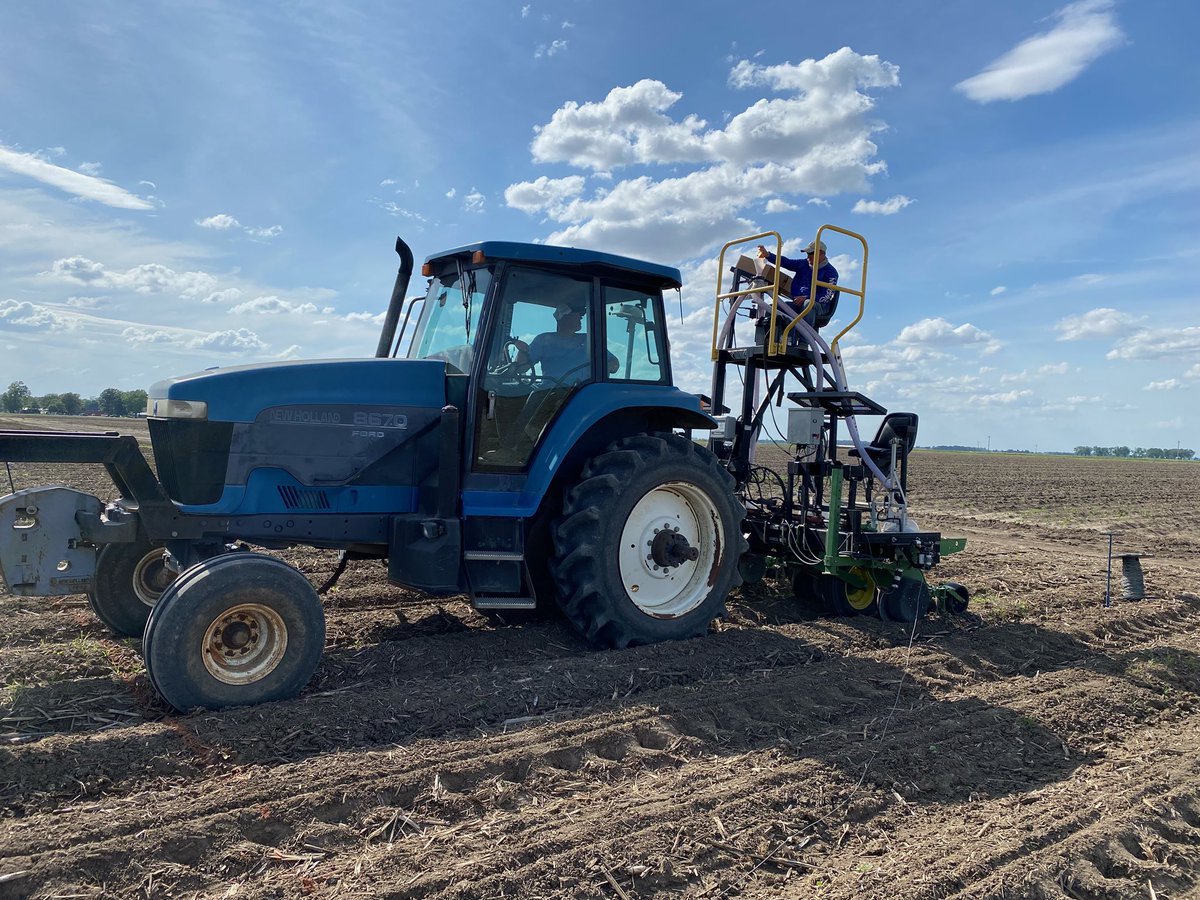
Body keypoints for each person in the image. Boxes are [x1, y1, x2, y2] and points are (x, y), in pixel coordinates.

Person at [514, 304, 619, 380]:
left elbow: (614, 364)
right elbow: (521, 369)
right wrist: (522, 351)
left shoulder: (588, 340)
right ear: (564, 317)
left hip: (582, 393)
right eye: (577, 314)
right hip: (548, 394)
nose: (581, 317)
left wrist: (607, 367)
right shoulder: (543, 340)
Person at [756, 238, 840, 331]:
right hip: (798, 303)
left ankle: (803, 342)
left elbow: (825, 296)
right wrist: (768, 255)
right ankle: (770, 339)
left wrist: (806, 297)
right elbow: (787, 262)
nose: (808, 257)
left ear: (821, 253)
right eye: (807, 254)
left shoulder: (831, 272)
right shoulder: (803, 264)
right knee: (772, 308)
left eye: (810, 253)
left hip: (819, 307)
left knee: (808, 304)